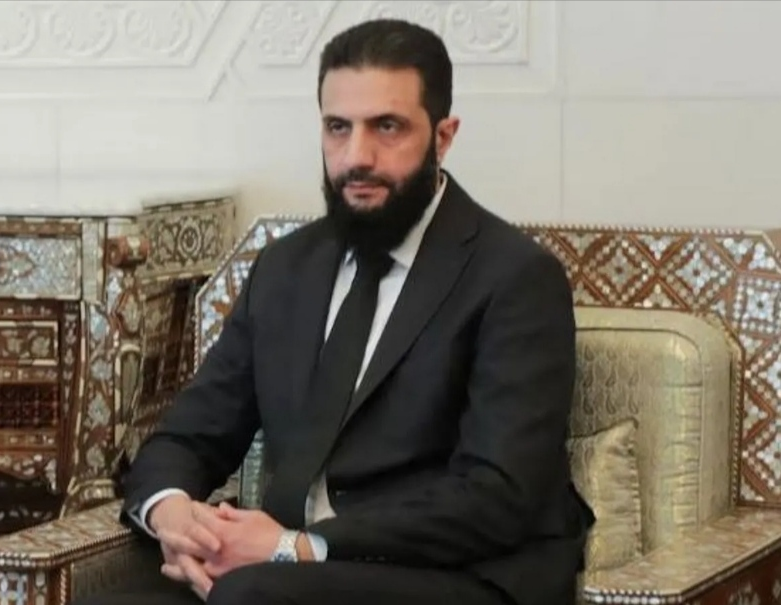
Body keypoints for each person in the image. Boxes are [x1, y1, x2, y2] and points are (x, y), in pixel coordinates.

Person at [80, 18, 595, 605]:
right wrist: (176, 517)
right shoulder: (286, 268)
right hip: (281, 577)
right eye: (338, 128)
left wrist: (294, 547)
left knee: (252, 596)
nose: (357, 157)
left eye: (388, 127)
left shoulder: (515, 277)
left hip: (453, 575)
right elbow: (188, 437)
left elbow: (496, 496)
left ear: (443, 137)